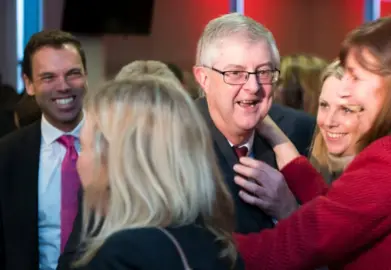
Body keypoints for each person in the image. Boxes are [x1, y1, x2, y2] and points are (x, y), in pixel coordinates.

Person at [232, 15, 391, 269]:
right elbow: (349, 212)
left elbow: (297, 243)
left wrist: (209, 247)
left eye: (355, 77)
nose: (345, 90)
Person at [71, 78, 244, 270]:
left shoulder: (123, 255)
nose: (78, 160)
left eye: (83, 147)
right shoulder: (218, 246)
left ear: (117, 161)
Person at [193, 13, 316, 232]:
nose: (253, 86)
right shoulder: (174, 145)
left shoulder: (297, 136)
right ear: (203, 79)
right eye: (235, 73)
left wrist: (288, 209)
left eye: (264, 72)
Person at [0, 30, 87, 270]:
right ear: (29, 84)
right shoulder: (7, 156)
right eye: (48, 77)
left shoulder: (118, 148)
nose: (63, 86)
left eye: (73, 74)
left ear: (86, 76)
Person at [309, 60, 362, 184]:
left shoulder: (385, 179)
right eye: (324, 105)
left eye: (346, 109)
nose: (328, 121)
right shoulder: (317, 160)